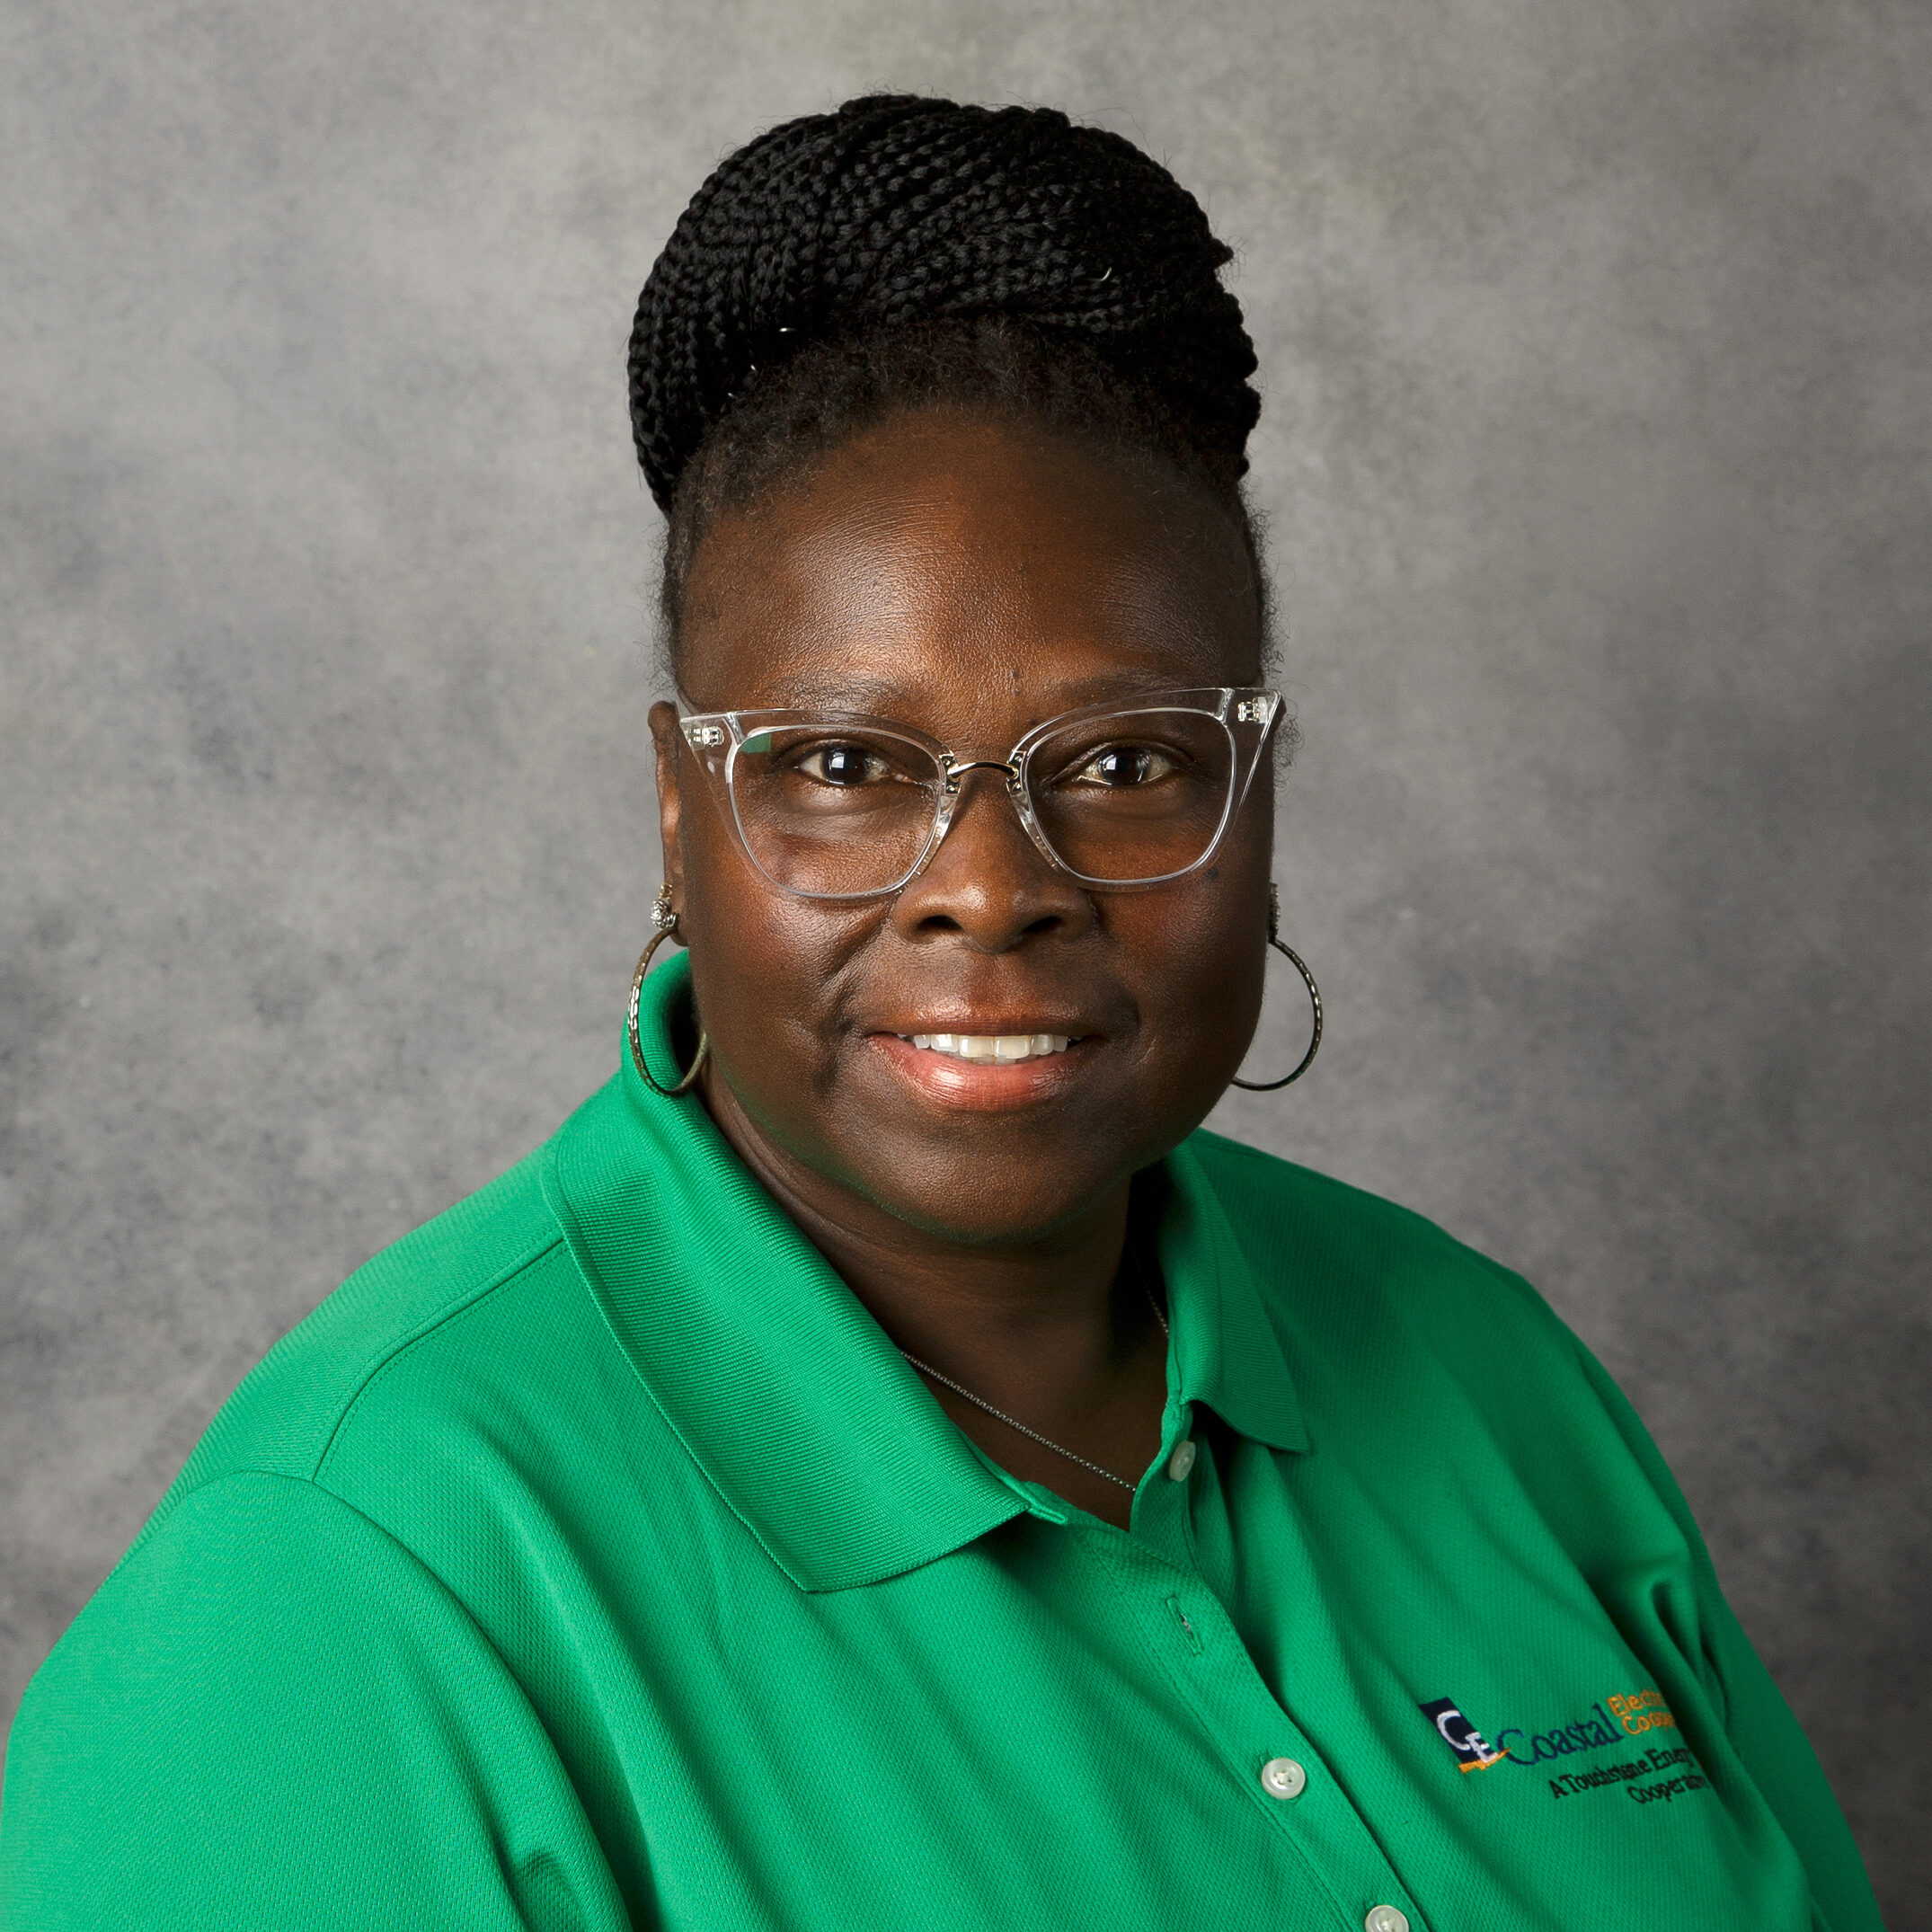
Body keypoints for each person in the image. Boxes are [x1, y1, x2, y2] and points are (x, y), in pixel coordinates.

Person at [0, 94, 1882, 1932]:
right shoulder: (349, 1588)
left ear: (1259, 802)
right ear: (681, 819)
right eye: (841, 759)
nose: (993, 882)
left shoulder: (1484, 1370)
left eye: (1130, 756)